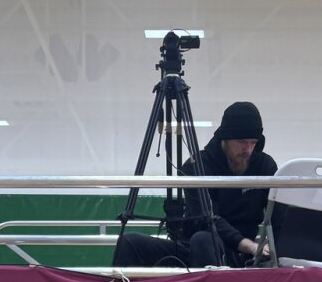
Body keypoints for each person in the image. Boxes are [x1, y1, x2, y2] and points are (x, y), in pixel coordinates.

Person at [113, 101, 276, 269]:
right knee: (129, 243)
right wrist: (248, 245)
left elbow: (278, 216)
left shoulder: (265, 166)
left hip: (240, 254)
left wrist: (268, 251)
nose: (248, 150)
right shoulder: (196, 166)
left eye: (253, 142)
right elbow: (206, 219)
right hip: (198, 247)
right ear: (225, 138)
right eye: (241, 142)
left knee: (203, 240)